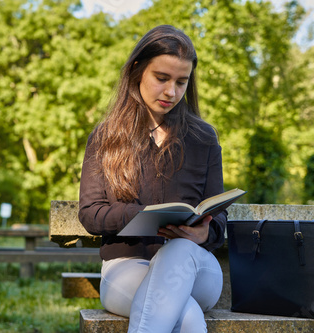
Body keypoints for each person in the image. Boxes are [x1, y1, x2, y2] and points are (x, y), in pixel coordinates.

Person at [78, 25, 226, 333]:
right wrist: (142, 216)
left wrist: (204, 235)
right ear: (137, 71)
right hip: (126, 268)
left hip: (198, 269)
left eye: (181, 82)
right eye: (162, 78)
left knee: (180, 251)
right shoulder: (107, 136)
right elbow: (90, 214)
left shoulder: (203, 137)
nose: (171, 92)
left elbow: (220, 217)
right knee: (185, 317)